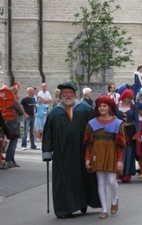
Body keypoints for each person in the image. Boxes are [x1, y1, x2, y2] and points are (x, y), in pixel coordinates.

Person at [42, 82, 101, 218]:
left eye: (70, 93)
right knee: (64, 180)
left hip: (82, 151)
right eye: (65, 93)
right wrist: (46, 152)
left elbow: (94, 129)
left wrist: (96, 147)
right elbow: (48, 134)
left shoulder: (85, 109)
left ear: (75, 94)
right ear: (61, 95)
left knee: (83, 178)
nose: (68, 95)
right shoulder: (55, 113)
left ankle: (83, 203)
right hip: (62, 153)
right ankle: (64, 209)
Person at [84, 96, 126, 219]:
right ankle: (104, 209)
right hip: (97, 154)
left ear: (110, 108)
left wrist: (120, 160)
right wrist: (87, 158)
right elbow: (88, 143)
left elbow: (121, 144)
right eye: (100, 106)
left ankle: (114, 199)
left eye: (104, 106)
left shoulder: (118, 123)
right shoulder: (92, 123)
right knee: (101, 181)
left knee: (112, 181)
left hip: (112, 153)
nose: (102, 108)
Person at [116, 89, 140, 183]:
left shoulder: (133, 107)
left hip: (130, 130)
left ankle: (127, 174)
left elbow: (137, 121)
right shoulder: (116, 107)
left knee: (129, 151)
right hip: (119, 130)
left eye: (131, 98)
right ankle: (119, 173)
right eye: (128, 98)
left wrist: (138, 133)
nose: (130, 100)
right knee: (120, 150)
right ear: (124, 97)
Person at [5, 86, 24, 167]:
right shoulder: (14, 102)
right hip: (14, 122)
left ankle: (9, 159)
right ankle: (10, 160)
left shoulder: (5, 101)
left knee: (9, 142)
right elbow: (21, 112)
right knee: (13, 143)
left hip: (7, 122)